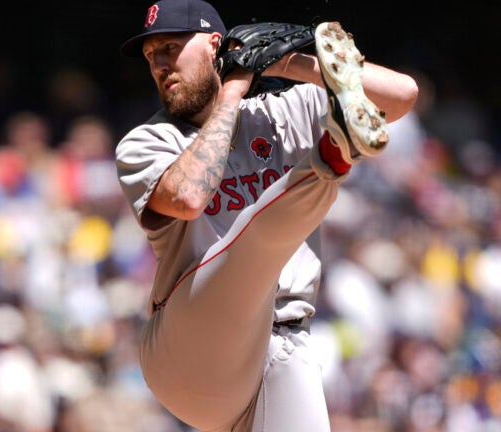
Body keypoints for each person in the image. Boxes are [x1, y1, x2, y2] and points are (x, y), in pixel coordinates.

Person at [115, 0, 419, 431]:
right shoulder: (147, 141)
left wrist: (295, 61)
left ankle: (336, 148)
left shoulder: (281, 113)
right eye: (151, 56)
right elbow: (188, 197)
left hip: (284, 346)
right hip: (193, 349)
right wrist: (234, 89)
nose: (160, 64)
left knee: (283, 320)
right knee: (256, 244)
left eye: (171, 46)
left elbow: (402, 96)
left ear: (216, 46)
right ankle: (336, 152)